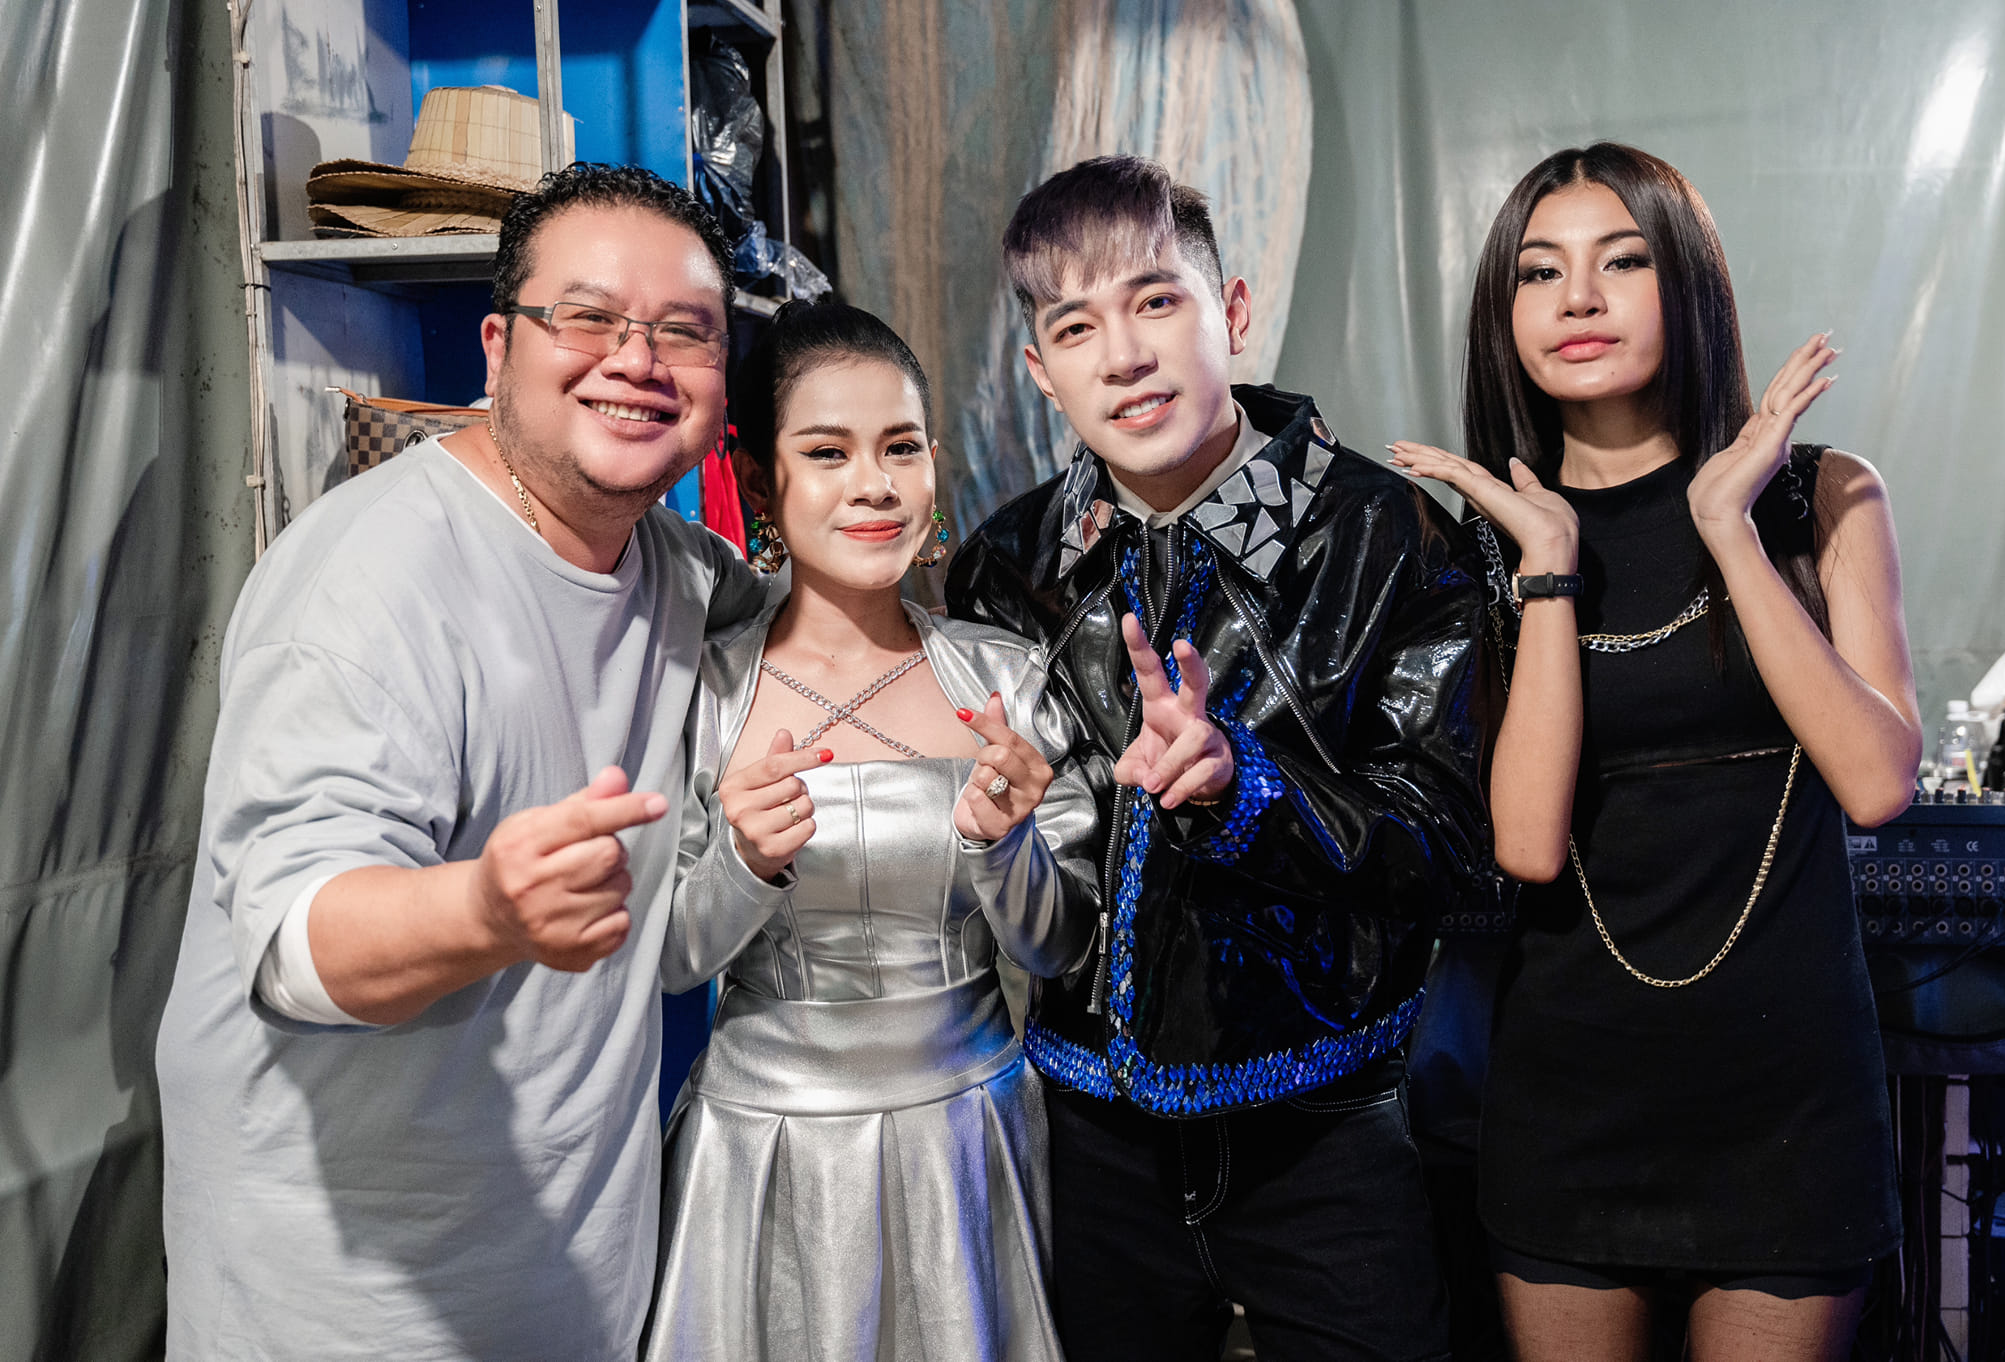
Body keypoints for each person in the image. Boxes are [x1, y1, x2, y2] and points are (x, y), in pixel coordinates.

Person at [155, 163, 773, 1361]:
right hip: (345, 1303)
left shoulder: (680, 571)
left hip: (571, 1276)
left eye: (683, 332)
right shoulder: (371, 583)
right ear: (498, 348)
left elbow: (823, 634)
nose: (636, 360)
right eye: (586, 316)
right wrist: (485, 909)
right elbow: (294, 941)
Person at [945, 155, 1494, 1362]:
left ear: (1231, 312)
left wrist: (1250, 790)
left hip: (1330, 1127)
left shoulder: (1385, 537)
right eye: (1074, 327)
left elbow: (1455, 846)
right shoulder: (1006, 566)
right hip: (1086, 1137)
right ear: (1039, 370)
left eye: (1155, 301)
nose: (1121, 355)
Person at [1390, 142, 1917, 1361]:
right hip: (1570, 1096)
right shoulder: (1479, 543)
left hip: (1786, 1100)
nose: (1576, 298)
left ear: (1685, 283)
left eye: (1619, 261)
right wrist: (1547, 570)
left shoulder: (1822, 497)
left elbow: (1875, 780)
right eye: (1538, 272)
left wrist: (1726, 528)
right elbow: (1524, 843)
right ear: (1503, 314)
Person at [641, 301, 1098, 1361]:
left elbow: (1061, 947)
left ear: (934, 466)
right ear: (758, 482)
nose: (874, 485)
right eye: (827, 452)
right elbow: (666, 959)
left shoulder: (1004, 676)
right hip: (758, 1148)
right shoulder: (701, 692)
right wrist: (744, 863)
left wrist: (1004, 848)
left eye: (900, 447)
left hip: (968, 1138)